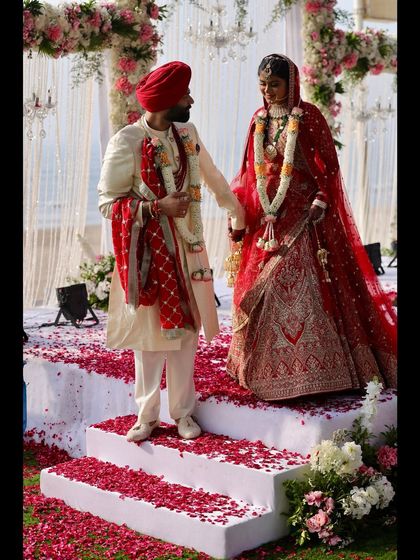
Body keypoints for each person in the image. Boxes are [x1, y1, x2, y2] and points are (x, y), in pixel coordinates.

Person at [226, 53, 397, 401]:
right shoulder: (257, 119)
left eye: (274, 84)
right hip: (267, 218)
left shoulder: (309, 117)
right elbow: (248, 169)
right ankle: (266, 371)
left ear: (291, 85)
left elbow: (328, 166)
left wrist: (321, 197)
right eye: (263, 84)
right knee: (258, 291)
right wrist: (240, 212)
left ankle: (318, 372)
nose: (268, 91)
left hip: (304, 218)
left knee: (297, 284)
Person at [98, 61, 245, 440]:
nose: (191, 99)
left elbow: (211, 175)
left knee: (186, 334)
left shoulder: (187, 132)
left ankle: (182, 413)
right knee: (149, 339)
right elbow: (107, 202)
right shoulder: (127, 141)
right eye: (185, 95)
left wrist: (236, 211)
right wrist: (154, 208)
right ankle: (146, 417)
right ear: (166, 101)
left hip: (188, 247)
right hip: (149, 252)